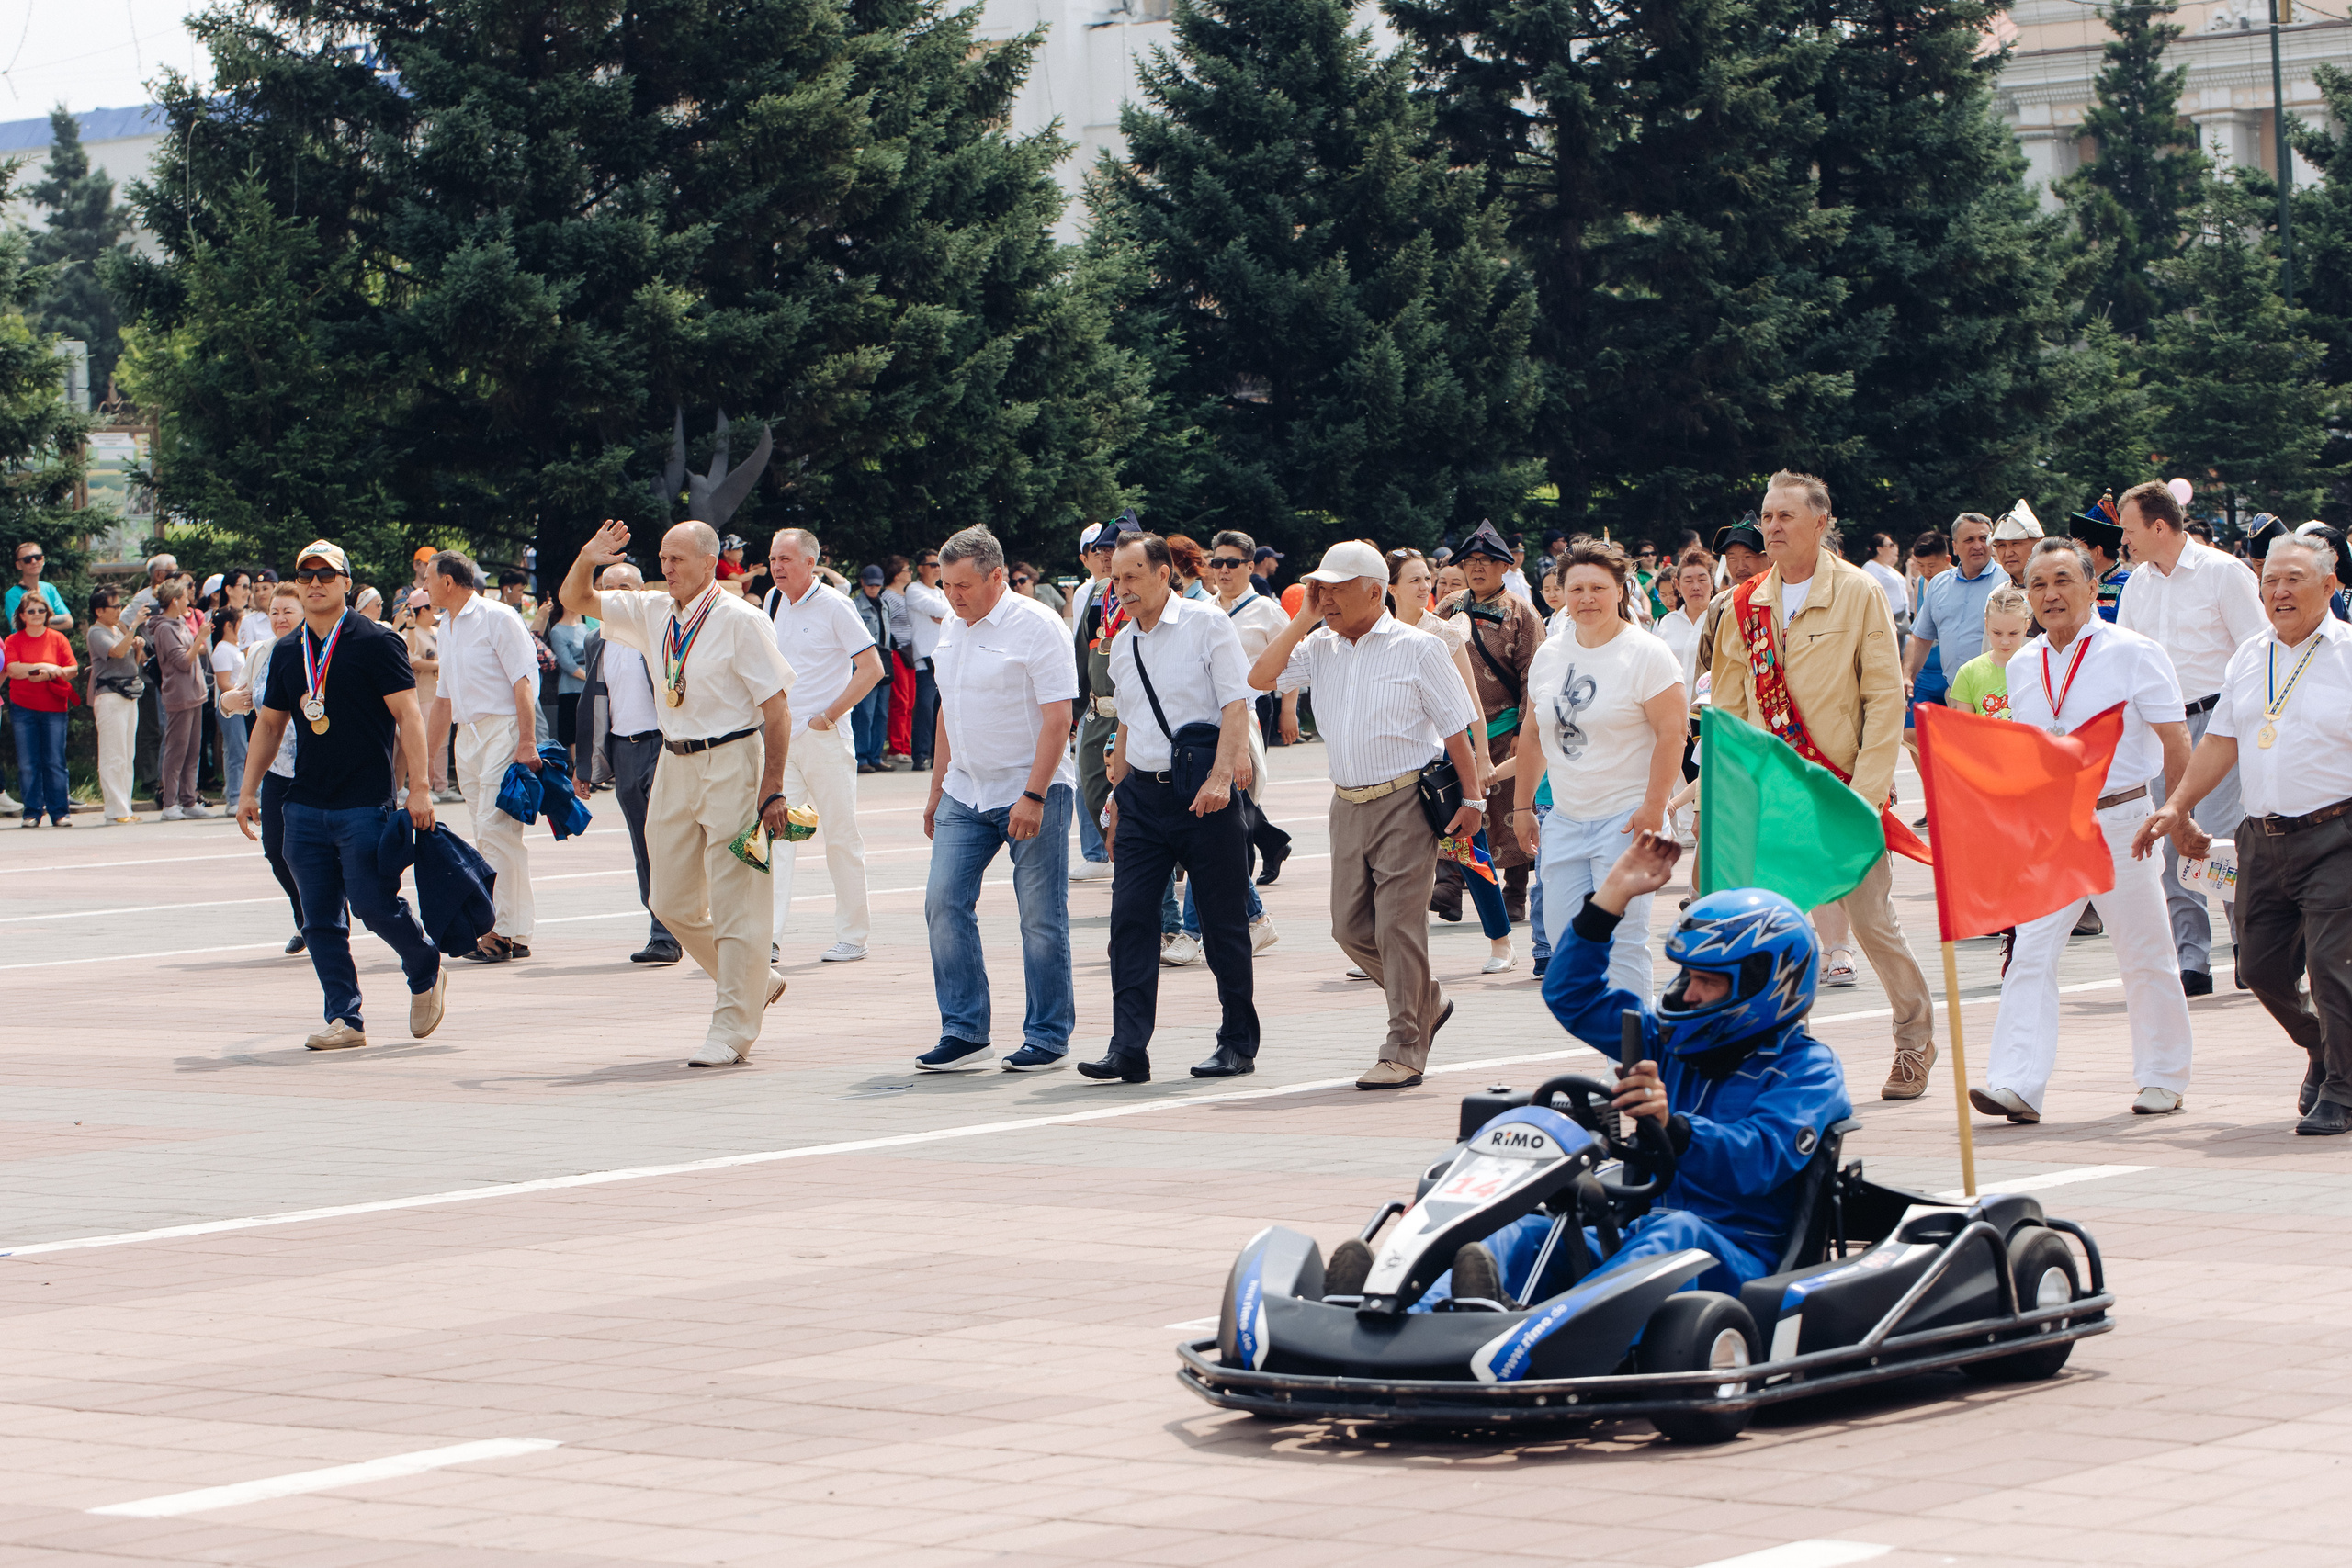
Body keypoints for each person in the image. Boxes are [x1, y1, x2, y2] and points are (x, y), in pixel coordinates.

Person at [1382, 831, 1852, 1309]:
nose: (1687, 992)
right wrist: (1612, 898)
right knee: (1528, 1232)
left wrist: (1677, 1128)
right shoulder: (1671, 1041)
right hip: (1644, 1234)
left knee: (1673, 1232)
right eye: (1687, 975)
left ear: (1765, 988)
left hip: (1742, 1257)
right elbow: (1573, 996)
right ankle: (1419, 1318)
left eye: (1707, 982)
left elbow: (1758, 1161)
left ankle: (1540, 1340)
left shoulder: (1808, 1072)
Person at [1711, 470, 1937, 1100]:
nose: (1773, 526)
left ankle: (1915, 1038)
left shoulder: (1859, 591)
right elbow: (1728, 708)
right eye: (1767, 516)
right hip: (1775, 795)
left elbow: (1884, 698)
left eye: (1786, 515)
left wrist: (1864, 798)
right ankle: (1785, 1052)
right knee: (1777, 929)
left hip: (1844, 792)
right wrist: (1729, 792)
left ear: (1820, 521)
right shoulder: (1744, 604)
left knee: (1871, 922)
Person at [2136, 535, 2352, 1134]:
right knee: (2259, 967)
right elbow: (2221, 741)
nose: (2278, 591)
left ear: (2329, 586)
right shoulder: (2250, 656)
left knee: (2334, 963)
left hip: (2338, 834)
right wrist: (2177, 805)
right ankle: (2326, 1048)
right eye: (2270, 580)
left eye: (2293, 580)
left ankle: (2343, 1085)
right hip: (2263, 838)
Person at [1973, 539, 2193, 1122]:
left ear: (2092, 587)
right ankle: (2016, 1083)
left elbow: (2176, 739)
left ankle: (2163, 1077)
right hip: (2051, 828)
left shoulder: (2134, 652)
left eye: (2063, 580)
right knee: (2030, 951)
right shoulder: (2022, 662)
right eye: (2038, 584)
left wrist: (2179, 811)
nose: (2050, 594)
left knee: (2144, 952)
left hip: (2125, 820)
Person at [561, 519, 797, 1066]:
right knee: (666, 900)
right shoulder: (650, 611)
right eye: (663, 559)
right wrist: (588, 553)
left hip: (733, 760)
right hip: (675, 760)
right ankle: (753, 978)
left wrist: (773, 787)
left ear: (709, 562)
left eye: (678, 560)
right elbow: (575, 596)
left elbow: (777, 709)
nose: (667, 569)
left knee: (738, 899)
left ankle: (732, 1029)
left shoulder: (743, 620)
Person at [1252, 540, 1483, 1089]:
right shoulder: (1321, 647)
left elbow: (1457, 728)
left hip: (1406, 800)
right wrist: (1304, 618)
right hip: (1346, 804)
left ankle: (1404, 1045)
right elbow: (1260, 678)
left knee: (1400, 929)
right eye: (1319, 588)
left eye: (1335, 589)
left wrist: (1474, 801)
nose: (1325, 597)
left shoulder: (1418, 648)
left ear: (1375, 592)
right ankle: (1429, 1001)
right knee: (1349, 928)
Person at [236, 539, 447, 1052]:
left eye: (326, 575)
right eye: (306, 575)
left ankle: (424, 965)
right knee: (319, 919)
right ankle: (344, 1018)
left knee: (374, 904)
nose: (315, 584)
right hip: (303, 802)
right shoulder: (287, 651)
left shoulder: (375, 642)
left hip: (364, 799)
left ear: (346, 583)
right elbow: (268, 725)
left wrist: (418, 789)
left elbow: (409, 717)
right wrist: (248, 791)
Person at [1086, 534, 1261, 1083]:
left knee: (1222, 921)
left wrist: (1220, 776)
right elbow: (1131, 720)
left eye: (1132, 576)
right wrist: (1117, 791)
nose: (1122, 588)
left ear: (1164, 574)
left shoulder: (1207, 624)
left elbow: (1237, 701)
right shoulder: (1122, 643)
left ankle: (1237, 1043)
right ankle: (1128, 1047)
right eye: (1116, 578)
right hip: (1142, 798)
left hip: (1203, 794)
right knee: (1130, 921)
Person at [919, 525, 1080, 1072]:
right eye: (945, 586)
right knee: (942, 903)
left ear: (997, 576)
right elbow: (946, 711)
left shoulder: (1037, 626)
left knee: (1039, 917)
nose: (953, 596)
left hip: (1030, 789)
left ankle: (1049, 1035)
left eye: (963, 585)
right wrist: (937, 788)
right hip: (965, 789)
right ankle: (964, 1030)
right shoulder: (951, 627)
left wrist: (1033, 794)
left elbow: (1059, 718)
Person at [1514, 540, 1687, 999]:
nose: (1586, 598)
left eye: (1598, 587)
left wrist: (1654, 808)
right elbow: (1532, 733)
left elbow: (1673, 734)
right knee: (1569, 946)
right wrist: (1522, 806)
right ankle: (1615, 1049)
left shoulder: (1647, 653)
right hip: (1564, 821)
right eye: (1576, 589)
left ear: (1620, 591)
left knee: (1623, 945)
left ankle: (1634, 1064)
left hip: (1628, 820)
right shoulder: (1550, 654)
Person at [2116, 479, 2267, 995]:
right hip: (2160, 727)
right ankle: (2192, 958)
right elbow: (2129, 660)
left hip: (2216, 722)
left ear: (2159, 526)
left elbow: (2256, 653)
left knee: (2222, 836)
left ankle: (2248, 945)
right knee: (2171, 835)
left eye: (2129, 529)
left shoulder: (2224, 573)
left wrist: (2241, 724)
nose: (2125, 541)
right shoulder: (2137, 584)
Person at [763, 529, 885, 964]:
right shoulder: (772, 602)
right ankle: (768, 938)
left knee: (840, 836)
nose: (777, 566)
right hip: (781, 739)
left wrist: (828, 716)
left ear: (811, 563)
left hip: (824, 737)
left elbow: (871, 668)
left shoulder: (836, 605)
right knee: (774, 836)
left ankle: (854, 936)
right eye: (774, 558)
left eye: (786, 559)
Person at [1389, 547, 1508, 970]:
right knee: (1392, 865)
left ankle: (1501, 943)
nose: (1426, 588)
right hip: (1391, 766)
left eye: (1429, 579)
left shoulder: (1446, 633)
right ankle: (1386, 953)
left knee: (1469, 852)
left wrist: (1479, 762)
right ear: (1390, 588)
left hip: (1442, 766)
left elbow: (1471, 705)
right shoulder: (1373, 634)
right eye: (1416, 580)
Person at [425, 550, 544, 964]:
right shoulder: (447, 626)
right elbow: (443, 699)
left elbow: (523, 682)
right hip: (468, 736)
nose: (423, 587)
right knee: (487, 832)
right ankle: (517, 928)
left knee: (496, 830)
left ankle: (498, 931)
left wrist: (526, 741)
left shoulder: (498, 617)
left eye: (428, 578)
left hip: (503, 729)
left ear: (449, 581)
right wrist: (426, 759)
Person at [1438, 520, 1546, 923]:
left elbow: (1534, 675)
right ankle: (1449, 886)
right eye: (1471, 561)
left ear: (1505, 567)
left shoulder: (1523, 613)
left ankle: (1516, 891)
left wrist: (1524, 729)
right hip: (1457, 728)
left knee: (1513, 807)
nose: (1478, 568)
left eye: (1487, 561)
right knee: (1455, 807)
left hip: (1506, 729)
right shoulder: (1448, 607)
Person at [582, 562, 678, 964]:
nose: (617, 595)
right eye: (608, 588)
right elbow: (593, 704)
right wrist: (586, 766)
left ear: (642, 592)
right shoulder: (595, 640)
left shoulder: (659, 632)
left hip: (665, 745)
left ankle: (671, 932)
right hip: (623, 750)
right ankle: (661, 929)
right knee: (642, 845)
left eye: (625, 587)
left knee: (666, 842)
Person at [225, 581, 310, 951]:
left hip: (314, 766)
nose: (280, 618)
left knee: (313, 849)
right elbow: (236, 699)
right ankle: (306, 918)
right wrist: (231, 699)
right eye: (274, 612)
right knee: (276, 850)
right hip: (275, 768)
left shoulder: (317, 652)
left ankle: (326, 915)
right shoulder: (260, 652)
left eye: (288, 611)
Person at [1069, 519, 1128, 883]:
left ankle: (1146, 884)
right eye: (1101, 550)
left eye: (1113, 548)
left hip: (1134, 714)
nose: (1106, 556)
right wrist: (1074, 715)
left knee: (1137, 806)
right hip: (1097, 711)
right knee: (1093, 793)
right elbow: (1082, 652)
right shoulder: (1095, 595)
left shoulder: (1157, 591)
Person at [1904, 513, 2000, 710]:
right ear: (1955, 547)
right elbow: (1921, 638)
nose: (1978, 545)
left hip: (1998, 696)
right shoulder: (1938, 584)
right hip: (1955, 694)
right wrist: (1907, 677)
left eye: (1984, 539)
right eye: (1969, 540)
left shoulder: (2006, 583)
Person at [5, 594, 75, 826]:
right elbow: (14, 669)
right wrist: (45, 666)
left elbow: (72, 668)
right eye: (31, 611)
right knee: (27, 762)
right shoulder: (14, 640)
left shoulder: (58, 639)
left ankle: (60, 812)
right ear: (22, 615)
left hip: (54, 707)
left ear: (48, 614)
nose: (37, 615)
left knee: (55, 760)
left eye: (41, 611)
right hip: (23, 708)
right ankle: (32, 811)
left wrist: (54, 673)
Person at [151, 579, 212, 819]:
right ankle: (169, 803)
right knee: (177, 750)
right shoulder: (165, 629)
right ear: (175, 601)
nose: (189, 601)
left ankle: (189, 799)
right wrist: (200, 638)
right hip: (179, 695)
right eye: (186, 598)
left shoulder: (179, 623)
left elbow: (196, 651)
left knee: (193, 750)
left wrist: (201, 638)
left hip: (195, 693)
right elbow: (182, 661)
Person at [84, 587, 145, 824]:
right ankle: (115, 810)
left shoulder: (118, 628)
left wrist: (137, 648)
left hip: (128, 693)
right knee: (113, 754)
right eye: (115, 606)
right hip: (109, 695)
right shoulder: (96, 632)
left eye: (121, 605)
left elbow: (131, 662)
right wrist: (134, 627)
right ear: (99, 611)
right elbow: (117, 652)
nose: (119, 610)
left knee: (128, 753)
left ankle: (125, 807)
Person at [1944, 585, 2032, 718]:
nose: (2005, 641)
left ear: (2027, 626)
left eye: (2013, 633)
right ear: (1987, 625)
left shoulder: (2038, 667)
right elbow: (1966, 726)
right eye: (1997, 633)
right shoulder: (1968, 672)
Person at [848, 564, 896, 772]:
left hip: (884, 660)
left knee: (881, 712)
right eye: (870, 584)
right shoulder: (855, 605)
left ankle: (876, 756)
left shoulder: (885, 604)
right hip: (864, 663)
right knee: (864, 712)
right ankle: (862, 757)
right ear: (862, 583)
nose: (874, 588)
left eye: (877, 585)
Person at [905, 548, 948, 771]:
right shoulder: (913, 589)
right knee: (924, 708)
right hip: (925, 660)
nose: (937, 569)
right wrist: (947, 614)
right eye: (932, 564)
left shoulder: (942, 592)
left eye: (939, 564)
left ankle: (935, 755)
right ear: (920, 568)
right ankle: (920, 754)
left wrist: (946, 614)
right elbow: (945, 610)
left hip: (944, 659)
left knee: (942, 709)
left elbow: (950, 610)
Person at [546, 588, 590, 779]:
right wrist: (591, 677)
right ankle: (579, 771)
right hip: (572, 686)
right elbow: (567, 663)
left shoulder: (583, 626)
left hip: (586, 682)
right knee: (573, 731)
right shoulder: (557, 631)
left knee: (589, 728)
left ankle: (591, 770)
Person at [209, 604, 251, 805]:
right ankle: (234, 797)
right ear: (229, 625)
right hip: (230, 707)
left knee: (244, 750)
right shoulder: (223, 649)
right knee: (236, 751)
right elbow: (223, 682)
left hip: (241, 706)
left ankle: (242, 793)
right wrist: (243, 693)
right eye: (240, 623)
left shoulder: (235, 649)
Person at [879, 557, 918, 766]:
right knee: (900, 701)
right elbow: (886, 624)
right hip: (897, 651)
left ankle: (905, 745)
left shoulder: (907, 595)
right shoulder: (888, 596)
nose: (910, 572)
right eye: (907, 569)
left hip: (910, 652)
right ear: (896, 574)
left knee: (909, 702)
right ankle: (896, 747)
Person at [2071, 495, 2132, 622]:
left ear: (2098, 552)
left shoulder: (2131, 584)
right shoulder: (2072, 582)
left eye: (2078, 550)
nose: (2072, 556)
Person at [7, 540, 69, 631]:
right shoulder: (13, 595)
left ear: (43, 560)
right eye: (27, 559)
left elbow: (69, 621)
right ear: (19, 565)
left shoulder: (49, 589)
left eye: (38, 557)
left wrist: (36, 621)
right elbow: (19, 626)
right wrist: (53, 619)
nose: (34, 562)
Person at [1862, 532, 1909, 633]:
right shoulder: (1870, 567)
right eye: (1890, 545)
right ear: (1879, 549)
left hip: (1901, 617)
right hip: (1886, 619)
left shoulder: (1888, 568)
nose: (1893, 548)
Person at [1990, 504, 2042, 587]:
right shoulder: (1996, 596)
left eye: (2015, 544)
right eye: (2002, 545)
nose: (2008, 553)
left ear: (2038, 544)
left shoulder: (2059, 589)